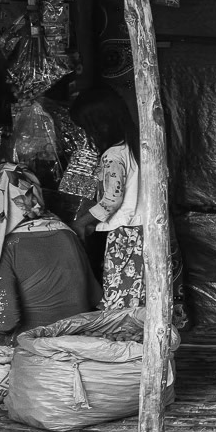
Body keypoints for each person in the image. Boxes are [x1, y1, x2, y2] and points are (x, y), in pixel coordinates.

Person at [0, 164, 99, 337]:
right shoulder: (68, 233)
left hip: (36, 346)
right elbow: (94, 296)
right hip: (78, 341)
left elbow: (5, 321)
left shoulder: (4, 247)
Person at [67, 87, 152, 310]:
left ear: (100, 125)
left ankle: (124, 334)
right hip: (148, 228)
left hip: (127, 232)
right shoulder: (138, 147)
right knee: (139, 289)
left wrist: (81, 223)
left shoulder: (113, 155)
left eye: (86, 129)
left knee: (120, 291)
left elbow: (112, 200)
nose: (87, 135)